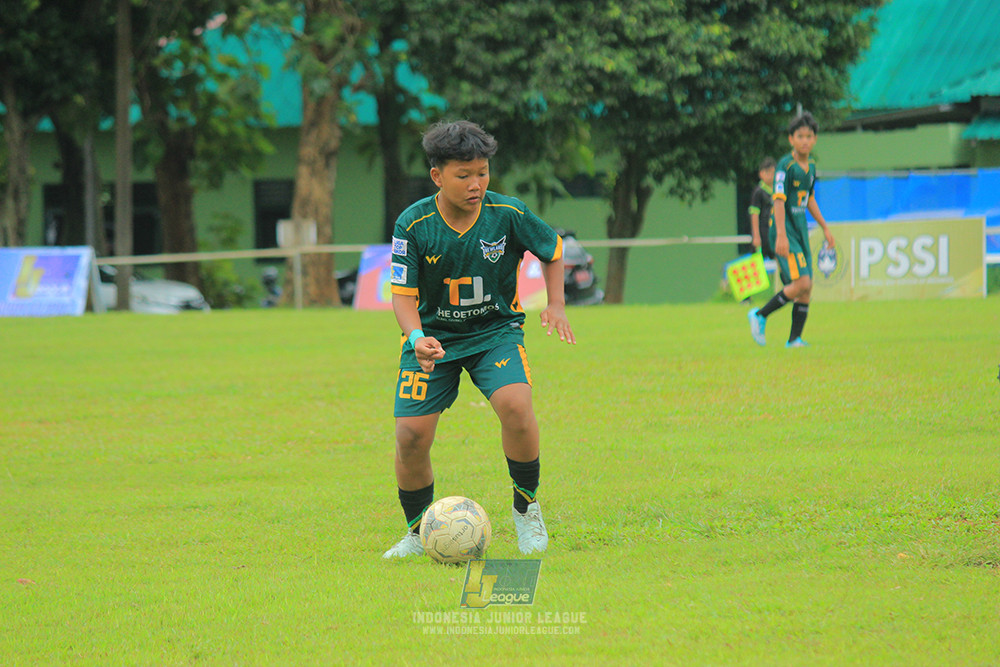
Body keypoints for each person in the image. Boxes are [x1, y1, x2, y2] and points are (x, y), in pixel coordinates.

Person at [383, 120, 576, 559]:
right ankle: (417, 532)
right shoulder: (413, 223)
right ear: (437, 176)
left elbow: (552, 249)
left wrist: (557, 303)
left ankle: (526, 509)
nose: (476, 184)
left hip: (495, 333)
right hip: (432, 341)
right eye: (464, 175)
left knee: (517, 407)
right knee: (410, 436)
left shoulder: (507, 213)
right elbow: (402, 294)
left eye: (483, 173)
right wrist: (416, 337)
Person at [747, 112, 835, 348]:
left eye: (809, 136)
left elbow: (809, 199)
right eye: (800, 136)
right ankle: (759, 315)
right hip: (785, 230)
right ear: (791, 139)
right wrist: (781, 235)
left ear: (815, 139)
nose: (805, 141)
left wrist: (825, 227)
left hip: (800, 229)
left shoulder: (811, 167)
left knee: (807, 287)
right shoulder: (785, 166)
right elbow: (778, 200)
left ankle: (794, 339)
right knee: (802, 283)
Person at [748, 157, 776, 259]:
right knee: (758, 261)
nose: (770, 176)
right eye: (767, 172)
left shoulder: (778, 191)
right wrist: (756, 236)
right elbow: (754, 214)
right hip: (762, 232)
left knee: (779, 259)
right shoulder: (758, 192)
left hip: (774, 231)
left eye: (773, 173)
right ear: (761, 174)